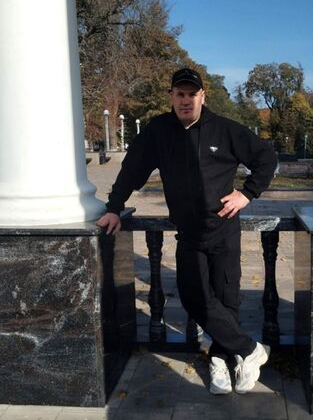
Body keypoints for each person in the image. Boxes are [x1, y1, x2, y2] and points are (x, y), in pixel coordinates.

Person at [97, 68, 278, 395]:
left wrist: (247, 193)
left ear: (202, 97)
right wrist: (114, 206)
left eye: (192, 94)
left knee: (226, 298)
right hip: (190, 235)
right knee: (193, 295)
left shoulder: (224, 129)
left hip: (224, 231)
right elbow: (132, 170)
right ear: (171, 97)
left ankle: (221, 361)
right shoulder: (159, 131)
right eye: (179, 94)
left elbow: (266, 156)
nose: (186, 100)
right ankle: (251, 350)